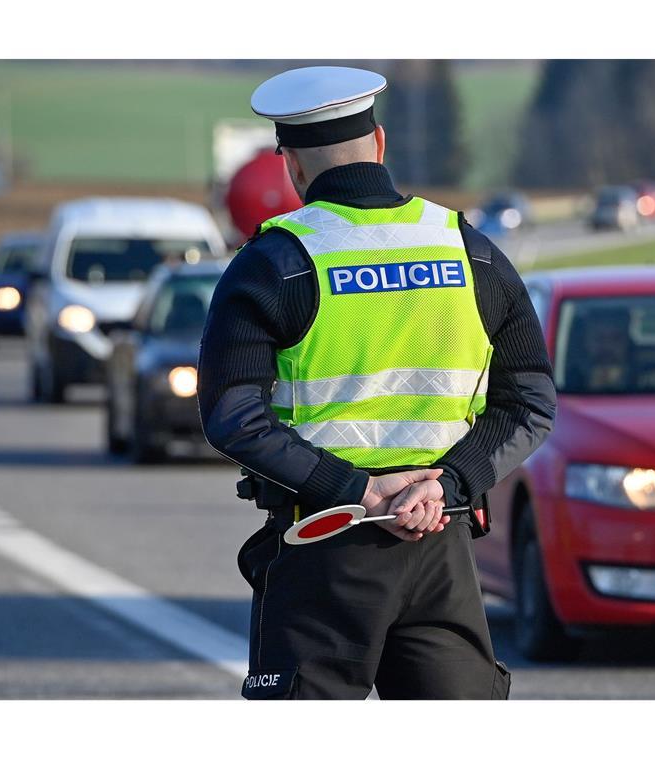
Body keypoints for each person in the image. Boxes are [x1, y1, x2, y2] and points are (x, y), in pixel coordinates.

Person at [197, 66, 556, 700]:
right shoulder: (469, 250)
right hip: (441, 541)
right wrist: (444, 485)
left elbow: (233, 417)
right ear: (380, 144)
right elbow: (529, 404)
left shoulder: (274, 262)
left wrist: (360, 491)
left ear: (294, 167)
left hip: (324, 548)